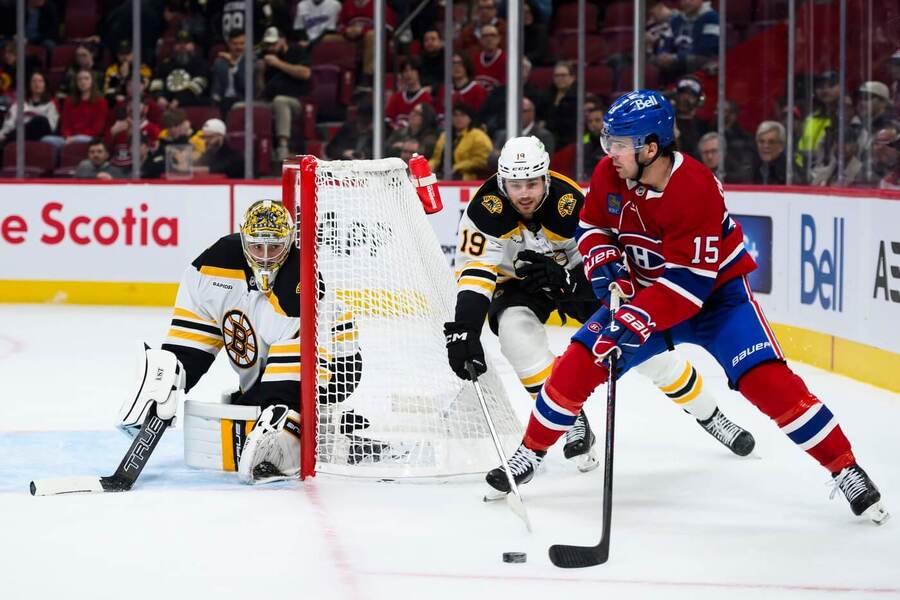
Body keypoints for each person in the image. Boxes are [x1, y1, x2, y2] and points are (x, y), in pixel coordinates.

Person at [483, 91, 888, 525]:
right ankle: (531, 451)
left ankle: (846, 469)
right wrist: (604, 262)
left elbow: (688, 285)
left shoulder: (695, 188)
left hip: (717, 303)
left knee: (767, 382)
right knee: (579, 363)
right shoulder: (608, 173)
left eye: (619, 144)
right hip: (644, 293)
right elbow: (594, 226)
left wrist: (636, 318)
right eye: (609, 141)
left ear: (650, 147)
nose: (609, 152)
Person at [445, 135, 756, 474]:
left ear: (546, 177)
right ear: (502, 181)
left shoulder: (569, 203)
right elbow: (475, 274)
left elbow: (605, 261)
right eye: (515, 184)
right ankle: (570, 419)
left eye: (532, 183)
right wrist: (465, 330)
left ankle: (710, 414)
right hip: (518, 286)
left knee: (647, 354)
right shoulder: (484, 209)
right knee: (515, 335)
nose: (524, 194)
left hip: (576, 280)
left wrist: (567, 282)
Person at [115, 200, 365, 484]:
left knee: (277, 411)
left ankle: (309, 428)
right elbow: (193, 338)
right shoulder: (212, 267)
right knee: (173, 373)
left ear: (291, 241)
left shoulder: (300, 280)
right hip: (272, 366)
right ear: (244, 239)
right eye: (258, 247)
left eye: (275, 247)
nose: (267, 257)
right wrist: (169, 378)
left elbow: (296, 360)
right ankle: (281, 417)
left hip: (337, 363)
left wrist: (271, 407)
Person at [258, 26, 313, 162]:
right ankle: (260, 150)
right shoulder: (264, 56)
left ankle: (283, 147)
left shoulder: (296, 51)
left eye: (274, 43)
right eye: (268, 44)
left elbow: (305, 73)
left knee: (280, 101)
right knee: (244, 107)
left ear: (283, 40)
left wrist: (278, 63)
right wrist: (259, 72)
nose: (270, 47)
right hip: (269, 101)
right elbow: (261, 91)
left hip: (296, 102)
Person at [428, 104, 492, 180]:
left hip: (466, 178)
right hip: (441, 175)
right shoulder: (445, 136)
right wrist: (428, 166)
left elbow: (481, 161)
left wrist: (457, 167)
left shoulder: (479, 136)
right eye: (455, 115)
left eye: (463, 115)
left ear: (470, 118)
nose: (458, 118)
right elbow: (436, 158)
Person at [150, 30, 210, 109]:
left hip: (191, 105)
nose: (182, 46)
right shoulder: (165, 64)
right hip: (166, 105)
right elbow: (156, 82)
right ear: (175, 46)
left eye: (186, 43)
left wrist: (179, 100)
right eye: (179, 43)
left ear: (192, 45)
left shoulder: (201, 64)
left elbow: (198, 85)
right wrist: (159, 97)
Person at [385, 57, 433, 130]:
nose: (409, 74)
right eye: (405, 71)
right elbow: (389, 118)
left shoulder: (426, 97)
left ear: (419, 73)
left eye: (412, 70)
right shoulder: (396, 97)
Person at [210, 29, 249, 115]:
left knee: (226, 103)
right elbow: (217, 86)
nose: (238, 47)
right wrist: (214, 99)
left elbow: (245, 86)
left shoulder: (251, 61)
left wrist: (233, 65)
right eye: (235, 44)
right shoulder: (220, 62)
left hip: (241, 98)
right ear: (229, 44)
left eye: (242, 43)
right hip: (223, 99)